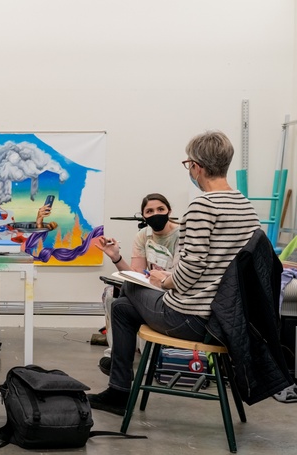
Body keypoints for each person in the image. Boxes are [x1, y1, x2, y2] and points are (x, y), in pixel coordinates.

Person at [87, 130, 260, 415]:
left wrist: (164, 280)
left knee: (125, 288)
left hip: (192, 319)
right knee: (121, 308)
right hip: (228, 319)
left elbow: (190, 270)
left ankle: (119, 393)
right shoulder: (246, 206)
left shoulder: (202, 206)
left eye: (188, 164)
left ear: (197, 166)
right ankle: (118, 391)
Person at [96, 193, 180, 375]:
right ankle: (116, 354)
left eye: (160, 209)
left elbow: (182, 277)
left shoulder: (182, 234)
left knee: (124, 299)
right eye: (149, 211)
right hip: (149, 289)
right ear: (144, 216)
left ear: (169, 211)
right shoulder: (143, 236)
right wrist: (116, 257)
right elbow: (136, 275)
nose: (156, 213)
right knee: (112, 295)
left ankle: (134, 360)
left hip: (171, 291)